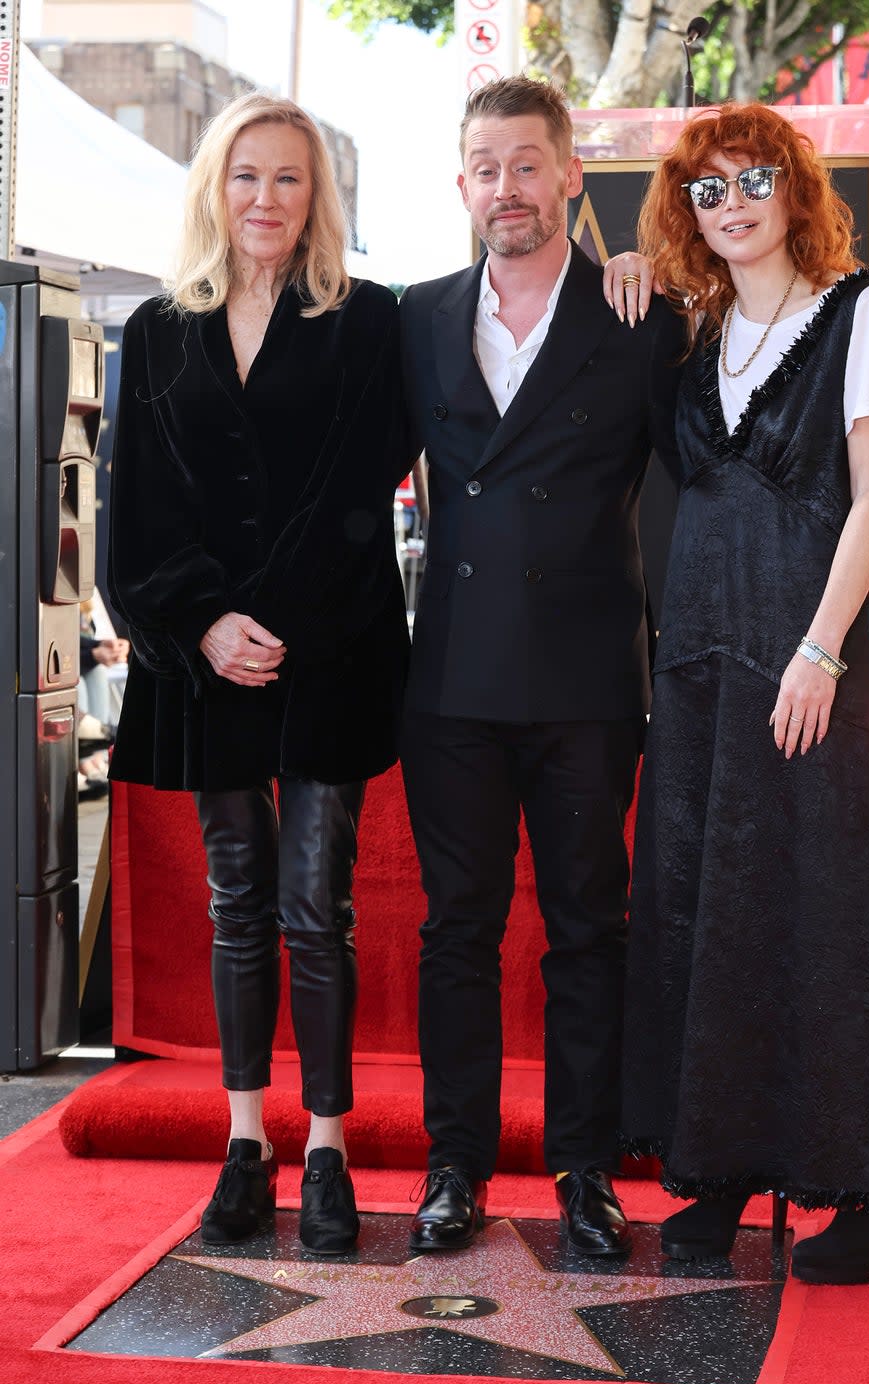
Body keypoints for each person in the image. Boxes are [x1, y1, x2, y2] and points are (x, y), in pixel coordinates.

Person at [619, 102, 869, 1285]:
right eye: (708, 190)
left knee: (814, 914)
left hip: (802, 665)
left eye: (754, 179)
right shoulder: (698, 327)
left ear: (794, 187)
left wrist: (819, 652)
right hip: (698, 664)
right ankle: (717, 1167)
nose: (733, 203)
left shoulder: (859, 310)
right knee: (706, 913)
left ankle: (858, 1187)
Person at [108, 92, 411, 1254]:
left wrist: (264, 618)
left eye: (288, 179)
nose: (265, 199)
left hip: (327, 653)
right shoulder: (155, 331)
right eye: (246, 177)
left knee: (313, 906)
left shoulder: (364, 320)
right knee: (236, 901)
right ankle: (247, 1143)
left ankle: (325, 1149)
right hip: (207, 663)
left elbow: (358, 488)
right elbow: (135, 510)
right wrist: (204, 628)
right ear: (213, 188)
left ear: (315, 197)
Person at [397, 76, 686, 1256]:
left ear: (572, 175)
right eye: (484, 167)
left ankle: (583, 1164)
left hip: (584, 676)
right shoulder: (412, 315)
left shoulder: (640, 315)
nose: (504, 188)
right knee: (456, 929)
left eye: (526, 163)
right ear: (460, 185)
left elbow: (710, 475)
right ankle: (453, 1163)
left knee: (587, 927)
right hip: (453, 677)